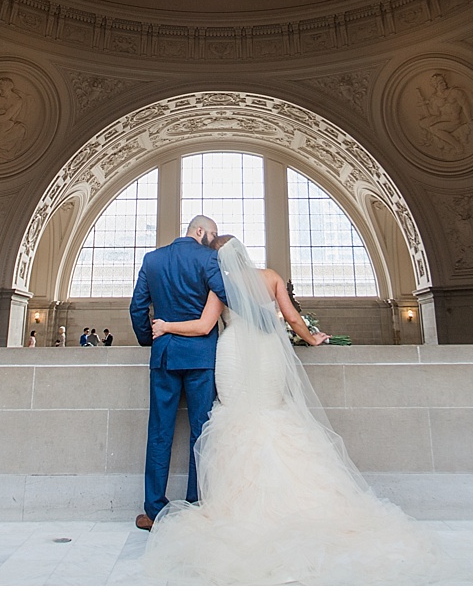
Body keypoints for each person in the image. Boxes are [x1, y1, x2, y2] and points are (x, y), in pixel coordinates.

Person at [139, 235, 441, 585]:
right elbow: (293, 318)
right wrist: (313, 338)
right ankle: (296, 499)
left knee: (236, 419)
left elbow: (205, 327)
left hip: (234, 354)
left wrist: (164, 326)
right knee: (272, 413)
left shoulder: (220, 284)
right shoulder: (271, 277)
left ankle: (236, 502)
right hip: (269, 355)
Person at [129, 214, 228, 532]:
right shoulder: (209, 258)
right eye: (211, 234)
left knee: (159, 433)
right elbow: (227, 297)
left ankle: (154, 510)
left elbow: (137, 307)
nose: (213, 240)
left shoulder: (152, 259)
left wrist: (151, 337)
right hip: (201, 357)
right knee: (201, 432)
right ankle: (196, 505)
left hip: (165, 355)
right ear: (199, 231)